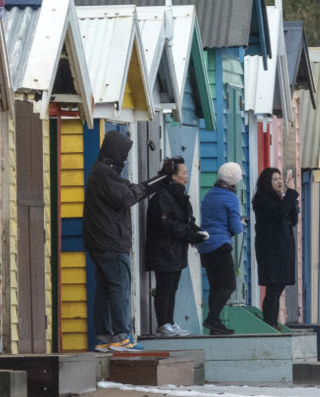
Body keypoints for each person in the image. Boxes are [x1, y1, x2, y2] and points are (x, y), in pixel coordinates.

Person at [85, 130, 173, 353]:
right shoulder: (105, 175)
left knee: (105, 290)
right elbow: (127, 197)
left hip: (100, 242)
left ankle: (104, 337)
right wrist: (159, 180)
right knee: (119, 289)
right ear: (117, 153)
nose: (124, 160)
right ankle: (122, 336)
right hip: (112, 242)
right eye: (124, 154)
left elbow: (133, 190)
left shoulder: (101, 173)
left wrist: (158, 179)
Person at [145, 158, 209, 337]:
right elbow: (167, 225)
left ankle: (170, 322)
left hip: (176, 250)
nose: (187, 176)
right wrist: (190, 234)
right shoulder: (162, 196)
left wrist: (197, 232)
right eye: (184, 173)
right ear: (173, 176)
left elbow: (187, 220)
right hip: (164, 250)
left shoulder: (179, 195)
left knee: (172, 288)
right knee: (164, 288)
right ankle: (163, 324)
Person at [198, 162, 245, 335]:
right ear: (235, 180)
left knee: (215, 286)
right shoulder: (230, 197)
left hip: (205, 245)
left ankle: (215, 326)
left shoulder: (209, 194)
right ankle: (212, 318)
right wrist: (242, 223)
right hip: (221, 245)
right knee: (229, 284)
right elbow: (236, 228)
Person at [253, 168, 299, 328]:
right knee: (273, 287)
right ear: (267, 182)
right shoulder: (262, 199)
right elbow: (279, 213)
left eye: (280, 178)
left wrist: (289, 197)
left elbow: (292, 219)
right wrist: (291, 193)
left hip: (281, 249)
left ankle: (273, 323)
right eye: (275, 179)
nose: (279, 181)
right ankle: (269, 323)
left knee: (278, 287)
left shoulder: (279, 199)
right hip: (270, 251)